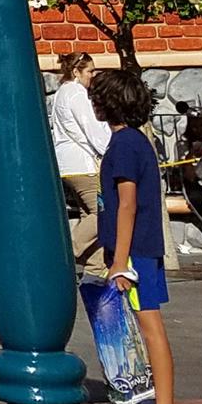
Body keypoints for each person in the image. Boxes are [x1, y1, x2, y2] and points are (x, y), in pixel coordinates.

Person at [89, 67, 182, 404]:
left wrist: (119, 262)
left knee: (149, 328)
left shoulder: (126, 144)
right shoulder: (133, 140)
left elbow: (127, 204)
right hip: (137, 249)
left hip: (136, 253)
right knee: (139, 329)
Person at [48, 52, 111, 261]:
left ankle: (95, 268)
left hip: (68, 165)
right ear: (76, 71)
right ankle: (63, 253)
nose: (93, 75)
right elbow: (92, 128)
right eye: (90, 71)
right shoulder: (76, 93)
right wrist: (109, 150)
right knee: (104, 212)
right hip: (83, 165)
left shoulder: (61, 92)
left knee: (88, 214)